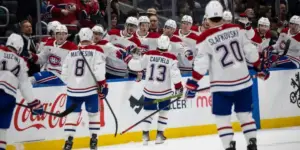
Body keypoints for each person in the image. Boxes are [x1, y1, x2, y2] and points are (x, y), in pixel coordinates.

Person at [185, 1, 270, 150]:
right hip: (244, 82)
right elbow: (250, 51)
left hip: (221, 87)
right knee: (245, 115)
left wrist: (193, 83)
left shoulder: (204, 38)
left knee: (222, 118)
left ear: (207, 18)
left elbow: (201, 65)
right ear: (222, 16)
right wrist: (259, 67)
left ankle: (228, 146)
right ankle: (252, 142)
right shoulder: (237, 29)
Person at [128, 35, 183, 145]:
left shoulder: (148, 54)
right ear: (168, 45)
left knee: (148, 112)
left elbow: (137, 66)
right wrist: (178, 87)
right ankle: (159, 135)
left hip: (149, 90)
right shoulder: (171, 57)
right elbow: (175, 74)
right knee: (164, 112)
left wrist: (132, 58)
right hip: (164, 91)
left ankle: (145, 135)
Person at [61, 28, 108, 150]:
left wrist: (72, 83)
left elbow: (64, 73)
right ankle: (93, 140)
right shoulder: (97, 49)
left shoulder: (72, 51)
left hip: (73, 91)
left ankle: (68, 141)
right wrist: (103, 84)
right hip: (90, 90)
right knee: (93, 114)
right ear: (91, 37)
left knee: (72, 116)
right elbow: (99, 71)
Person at [0, 33, 44, 150]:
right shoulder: (21, 61)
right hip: (9, 98)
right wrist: (34, 103)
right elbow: (25, 85)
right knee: (2, 128)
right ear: (20, 48)